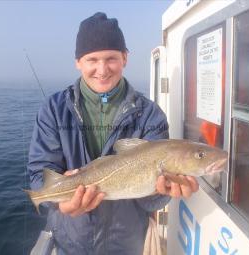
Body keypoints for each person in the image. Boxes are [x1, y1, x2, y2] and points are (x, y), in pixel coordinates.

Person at [28, 12, 198, 255]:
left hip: (126, 245)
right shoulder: (54, 110)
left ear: (125, 58)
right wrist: (57, 203)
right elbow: (39, 174)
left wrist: (162, 192)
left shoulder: (150, 115)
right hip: (70, 243)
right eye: (92, 59)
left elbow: (150, 200)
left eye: (111, 58)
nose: (102, 69)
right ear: (78, 61)